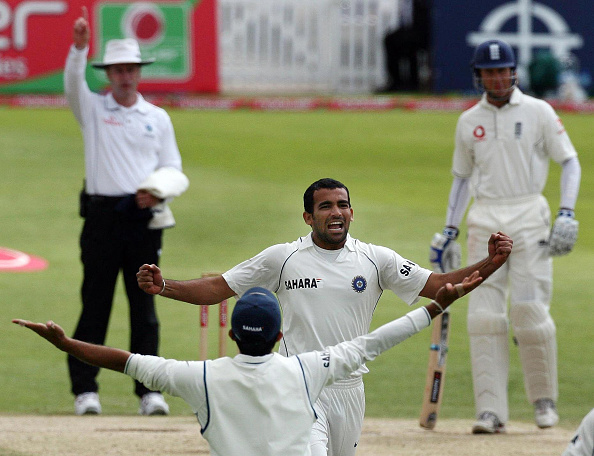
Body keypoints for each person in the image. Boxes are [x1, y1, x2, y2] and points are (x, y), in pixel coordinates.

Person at [137, 178, 513, 455]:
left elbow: (440, 286)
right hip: (299, 381)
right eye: (326, 206)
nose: (336, 213)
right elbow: (220, 288)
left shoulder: (375, 258)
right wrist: (164, 286)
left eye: (342, 205)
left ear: (352, 212)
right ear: (308, 216)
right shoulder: (282, 257)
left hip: (349, 386)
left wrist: (491, 263)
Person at [14, 273, 482, 456]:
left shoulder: (200, 376)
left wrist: (66, 344)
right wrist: (435, 307)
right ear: (281, 338)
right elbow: (375, 341)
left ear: (233, 334)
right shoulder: (306, 367)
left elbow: (126, 361)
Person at [429, 39, 581, 434]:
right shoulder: (468, 121)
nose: (497, 78)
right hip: (485, 220)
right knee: (483, 317)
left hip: (530, 215)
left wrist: (566, 212)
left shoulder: (538, 111)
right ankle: (490, 412)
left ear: (513, 71)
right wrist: (449, 229)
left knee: (529, 312)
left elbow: (570, 161)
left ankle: (544, 402)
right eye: (489, 71)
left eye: (503, 70)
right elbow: (461, 179)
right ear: (478, 75)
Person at [64, 8, 189, 416]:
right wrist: (79, 49)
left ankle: (148, 390)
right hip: (101, 219)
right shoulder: (94, 111)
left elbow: (174, 168)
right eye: (117, 70)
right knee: (95, 304)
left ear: (140, 71)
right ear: (108, 73)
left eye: (131, 69)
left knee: (144, 306)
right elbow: (71, 85)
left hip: (142, 222)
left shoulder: (156, 117)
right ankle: (86, 390)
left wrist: (157, 192)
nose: (125, 76)